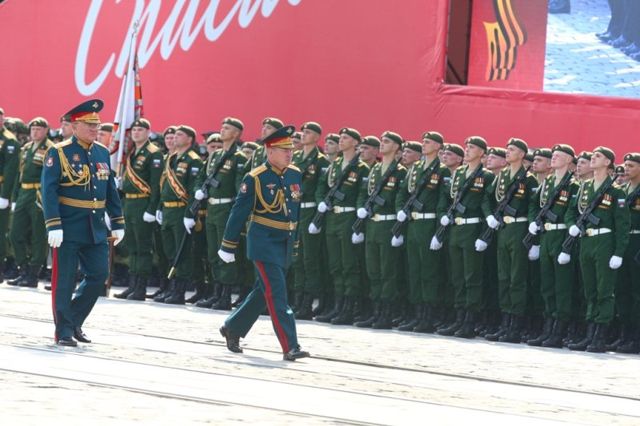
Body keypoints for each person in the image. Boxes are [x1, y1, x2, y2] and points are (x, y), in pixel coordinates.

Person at [218, 125, 310, 361]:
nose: (289, 153)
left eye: (291, 149)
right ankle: (290, 346)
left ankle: (232, 327)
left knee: (263, 291)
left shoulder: (294, 173)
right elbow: (238, 212)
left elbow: (295, 211)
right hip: (264, 243)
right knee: (277, 293)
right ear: (270, 151)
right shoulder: (255, 177)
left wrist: (295, 243)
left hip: (285, 242)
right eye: (284, 150)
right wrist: (228, 244)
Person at [41, 99, 125, 346]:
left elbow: (109, 189)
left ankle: (74, 320)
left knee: (99, 275)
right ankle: (64, 331)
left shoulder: (101, 151)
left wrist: (118, 221)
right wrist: (53, 224)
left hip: (95, 226)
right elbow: (48, 191)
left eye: (96, 125)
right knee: (64, 280)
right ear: (74, 126)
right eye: (89, 124)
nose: (94, 129)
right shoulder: (58, 152)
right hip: (67, 226)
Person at [561, 146, 630, 352]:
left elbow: (622, 225)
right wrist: (572, 225)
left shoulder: (616, 191)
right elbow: (571, 212)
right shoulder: (585, 187)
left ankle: (599, 336)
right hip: (586, 241)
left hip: (604, 242)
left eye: (598, 156)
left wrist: (618, 252)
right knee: (589, 290)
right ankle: (589, 333)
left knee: (604, 291)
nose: (593, 158)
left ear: (608, 162)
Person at [192, 117, 247, 310]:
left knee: (226, 254)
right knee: (213, 253)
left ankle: (225, 296)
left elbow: (240, 189)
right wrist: (198, 190)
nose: (222, 130)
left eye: (227, 128)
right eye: (222, 127)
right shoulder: (215, 156)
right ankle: (216, 293)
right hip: (212, 208)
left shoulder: (239, 158)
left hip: (226, 208)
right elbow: (201, 177)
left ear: (236, 134)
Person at [114, 118, 163, 300]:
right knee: (131, 246)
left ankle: (140, 287)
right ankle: (132, 285)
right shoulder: (131, 152)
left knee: (142, 246)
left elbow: (156, 185)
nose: (136, 133)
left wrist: (152, 208)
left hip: (143, 203)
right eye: (134, 130)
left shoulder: (153, 153)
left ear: (148, 132)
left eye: (140, 130)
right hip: (129, 203)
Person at [290, 121, 330, 319]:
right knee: (296, 258)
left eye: (307, 132)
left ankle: (307, 303)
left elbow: (322, 187)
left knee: (310, 259)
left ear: (316, 137)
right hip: (294, 210)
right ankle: (297, 301)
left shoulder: (322, 162)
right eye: (303, 132)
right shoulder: (295, 157)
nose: (303, 135)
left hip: (309, 210)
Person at [8, 117, 54, 287]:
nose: (35, 132)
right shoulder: (26, 148)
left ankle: (33, 274)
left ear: (46, 131)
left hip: (38, 194)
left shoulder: (50, 148)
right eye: (33, 129)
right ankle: (23, 268)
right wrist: (15, 197)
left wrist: (46, 197)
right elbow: (19, 174)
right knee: (15, 233)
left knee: (38, 236)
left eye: (38, 129)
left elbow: (50, 176)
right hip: (23, 193)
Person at [0, 108, 20, 283]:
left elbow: (11, 170)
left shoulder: (9, 140)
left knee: (1, 230)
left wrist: (5, 195)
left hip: (1, 187)